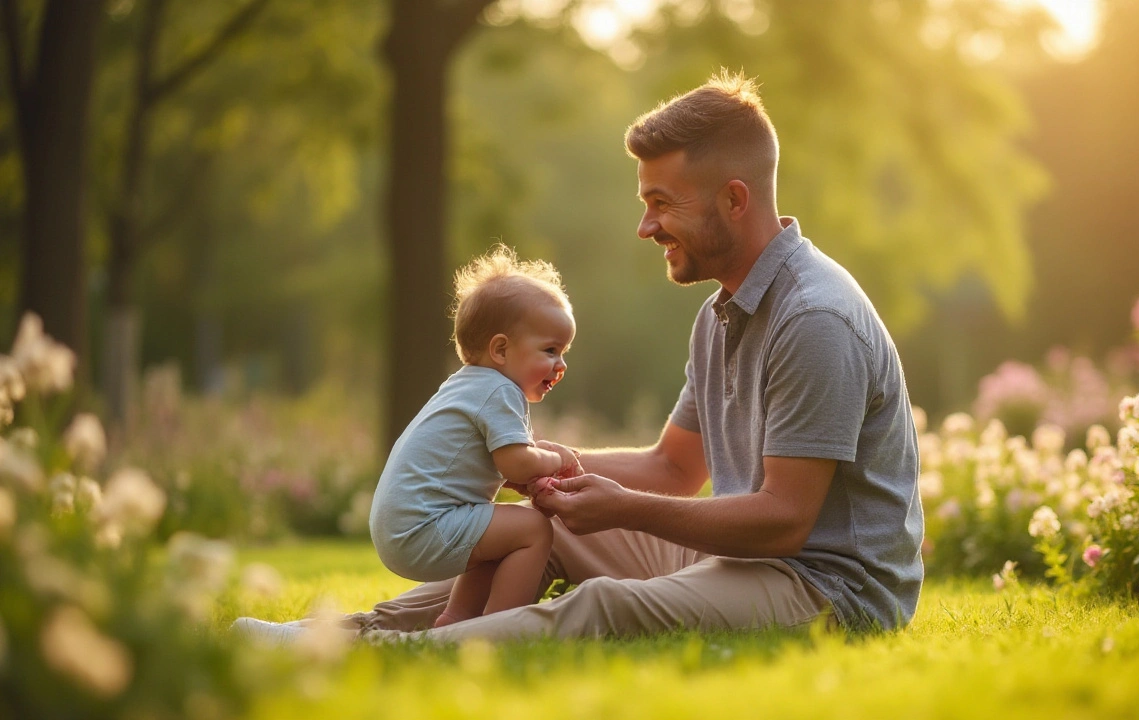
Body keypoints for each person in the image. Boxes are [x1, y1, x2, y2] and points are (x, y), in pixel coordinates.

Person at [234, 70, 922, 645]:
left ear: (734, 200)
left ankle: (412, 656)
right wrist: (532, 468)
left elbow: (785, 518)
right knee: (546, 531)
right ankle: (339, 638)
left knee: (606, 606)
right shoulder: (720, 316)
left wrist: (624, 507)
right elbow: (674, 469)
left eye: (661, 203)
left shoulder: (814, 319)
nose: (645, 226)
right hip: (749, 559)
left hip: (829, 588)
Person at [368, 244, 582, 628]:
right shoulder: (501, 391)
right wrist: (556, 458)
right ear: (500, 349)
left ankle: (456, 620)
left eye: (564, 351)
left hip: (399, 525)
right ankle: (500, 626)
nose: (561, 364)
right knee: (533, 529)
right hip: (422, 527)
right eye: (550, 350)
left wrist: (526, 477)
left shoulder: (466, 385)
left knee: (504, 532)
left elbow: (491, 466)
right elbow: (515, 460)